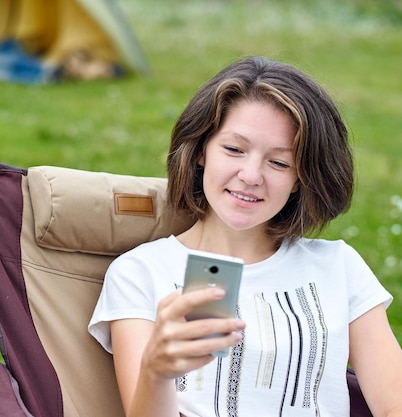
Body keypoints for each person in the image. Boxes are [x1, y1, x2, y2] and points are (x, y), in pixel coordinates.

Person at [88, 56, 402, 416]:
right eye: (234, 149)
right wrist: (156, 370)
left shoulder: (338, 267)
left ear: (301, 178)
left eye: (279, 162)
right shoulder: (140, 272)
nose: (251, 175)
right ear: (201, 150)